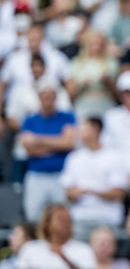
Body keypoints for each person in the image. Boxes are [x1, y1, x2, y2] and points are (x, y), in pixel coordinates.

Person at [60, 117, 130, 240]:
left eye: (84, 129)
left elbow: (119, 193)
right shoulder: (73, 158)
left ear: (96, 130)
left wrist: (89, 191)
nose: (79, 132)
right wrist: (75, 193)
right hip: (79, 218)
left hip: (107, 218)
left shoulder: (114, 157)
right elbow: (68, 192)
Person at [20, 80, 76, 222]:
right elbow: (29, 149)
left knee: (62, 216)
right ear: (39, 97)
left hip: (60, 175)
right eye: (45, 95)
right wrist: (57, 144)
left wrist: (37, 140)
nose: (48, 99)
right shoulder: (30, 120)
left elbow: (68, 143)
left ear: (56, 97)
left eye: (51, 95)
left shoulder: (67, 117)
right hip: (36, 175)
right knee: (33, 216)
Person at [16, 204, 96, 268]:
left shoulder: (84, 249)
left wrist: (64, 258)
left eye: (69, 220)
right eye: (61, 219)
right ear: (47, 224)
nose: (66, 223)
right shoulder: (30, 248)